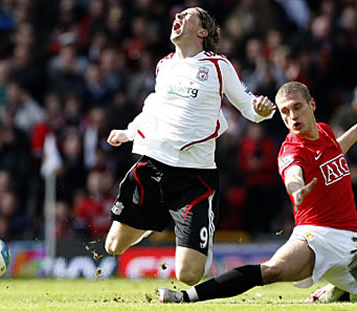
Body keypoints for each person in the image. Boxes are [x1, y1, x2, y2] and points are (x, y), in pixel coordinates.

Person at [157, 81, 357, 302]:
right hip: (317, 237)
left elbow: (334, 150)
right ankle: (185, 297)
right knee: (273, 270)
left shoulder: (324, 132)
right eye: (285, 112)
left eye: (297, 107)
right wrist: (297, 189)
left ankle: (344, 291)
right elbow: (292, 173)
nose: (292, 116)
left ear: (311, 105)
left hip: (354, 240)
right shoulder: (291, 149)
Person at [104, 7, 275, 286]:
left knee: (188, 276)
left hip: (193, 177)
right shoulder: (164, 65)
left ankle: (191, 236)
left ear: (202, 31)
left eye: (186, 15)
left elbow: (249, 107)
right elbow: (155, 108)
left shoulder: (218, 66)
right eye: (177, 16)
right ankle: (152, 221)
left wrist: (262, 110)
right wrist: (128, 132)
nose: (178, 18)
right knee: (113, 246)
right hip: (153, 165)